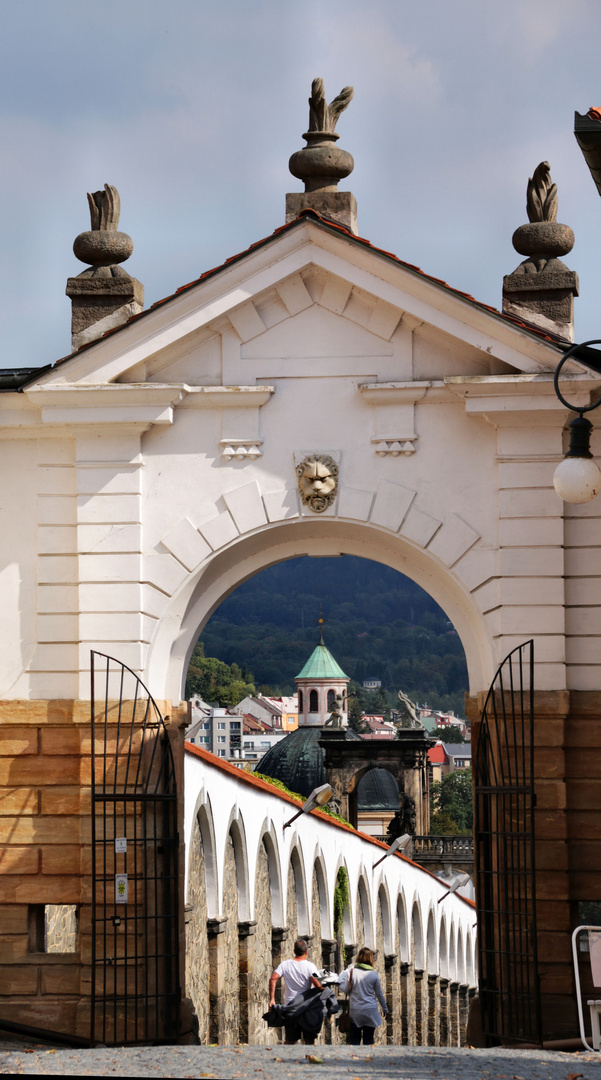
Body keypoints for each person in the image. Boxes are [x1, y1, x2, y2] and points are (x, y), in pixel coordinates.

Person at [268, 938, 323, 1044]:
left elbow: (273, 979)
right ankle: (309, 1058)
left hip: (290, 1007)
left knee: (290, 1040)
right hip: (306, 1008)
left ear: (294, 951)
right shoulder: (310, 967)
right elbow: (317, 985)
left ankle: (285, 1059)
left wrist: (272, 999)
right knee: (309, 1041)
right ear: (306, 951)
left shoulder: (285, 965)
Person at [337, 946, 388, 1045]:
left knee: (354, 1039)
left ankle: (355, 1058)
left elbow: (346, 989)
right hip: (370, 1010)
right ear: (371, 959)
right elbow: (379, 994)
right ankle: (368, 1058)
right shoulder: (373, 974)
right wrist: (385, 1009)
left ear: (359, 958)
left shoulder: (352, 972)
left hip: (356, 1010)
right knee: (368, 1039)